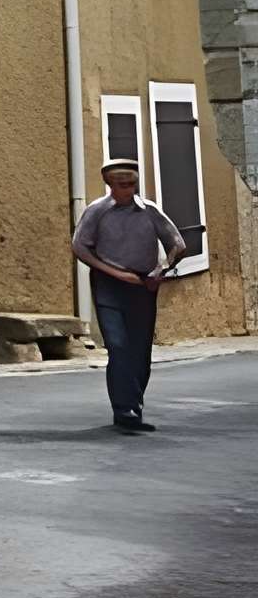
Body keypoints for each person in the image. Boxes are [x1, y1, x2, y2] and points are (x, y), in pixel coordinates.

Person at [72, 155, 188, 433]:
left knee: (139, 350)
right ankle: (124, 410)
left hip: (142, 285)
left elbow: (178, 244)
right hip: (108, 284)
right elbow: (80, 247)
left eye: (132, 184)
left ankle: (133, 404)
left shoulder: (149, 211)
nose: (127, 189)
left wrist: (161, 269)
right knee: (118, 345)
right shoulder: (96, 211)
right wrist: (112, 272)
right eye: (121, 184)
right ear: (109, 184)